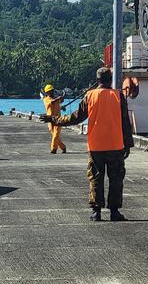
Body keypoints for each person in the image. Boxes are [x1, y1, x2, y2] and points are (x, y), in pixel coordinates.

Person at [40, 67, 133, 222]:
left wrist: (54, 119)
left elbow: (75, 118)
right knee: (116, 178)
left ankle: (96, 212)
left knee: (96, 178)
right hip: (116, 145)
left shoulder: (90, 96)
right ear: (110, 80)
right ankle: (114, 211)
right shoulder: (119, 96)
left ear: (97, 80)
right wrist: (128, 144)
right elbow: (125, 122)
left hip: (96, 145)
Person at [41, 84, 66, 154]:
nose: (51, 92)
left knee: (56, 134)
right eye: (49, 91)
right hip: (50, 119)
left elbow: (61, 101)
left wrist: (63, 96)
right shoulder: (46, 99)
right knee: (55, 135)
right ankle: (63, 147)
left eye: (52, 91)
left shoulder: (56, 98)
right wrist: (59, 98)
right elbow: (52, 101)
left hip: (58, 119)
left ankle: (53, 149)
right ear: (47, 93)